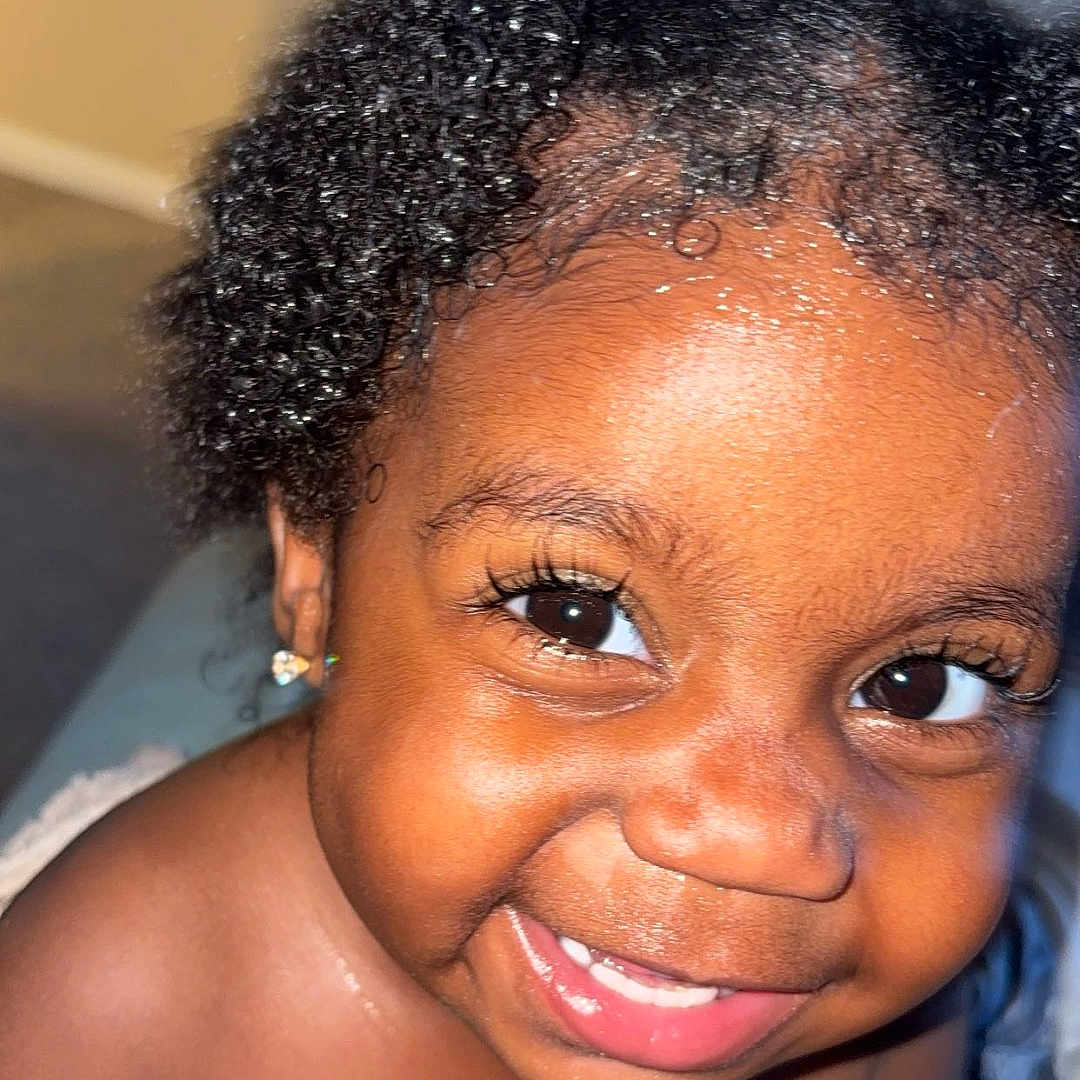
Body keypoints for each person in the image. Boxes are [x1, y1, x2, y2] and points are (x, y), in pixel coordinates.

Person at [2, 0, 1079, 1076]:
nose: (756, 839)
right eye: (576, 615)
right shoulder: (102, 1012)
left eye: (923, 684)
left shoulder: (876, 1006)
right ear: (314, 570)